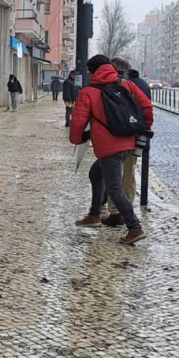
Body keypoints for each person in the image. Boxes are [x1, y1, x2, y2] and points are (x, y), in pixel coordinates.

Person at [69, 54, 153, 245]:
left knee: (115, 190)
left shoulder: (88, 92)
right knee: (95, 174)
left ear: (92, 72)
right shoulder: (126, 85)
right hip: (128, 143)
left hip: (109, 147)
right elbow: (147, 106)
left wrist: (75, 139)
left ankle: (134, 227)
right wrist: (144, 128)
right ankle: (94, 214)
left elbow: (78, 121)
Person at [103, 57, 141, 225]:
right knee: (129, 175)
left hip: (119, 138)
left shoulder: (119, 86)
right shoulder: (140, 84)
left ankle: (120, 214)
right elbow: (147, 110)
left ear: (116, 68)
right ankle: (126, 208)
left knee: (116, 179)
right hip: (135, 138)